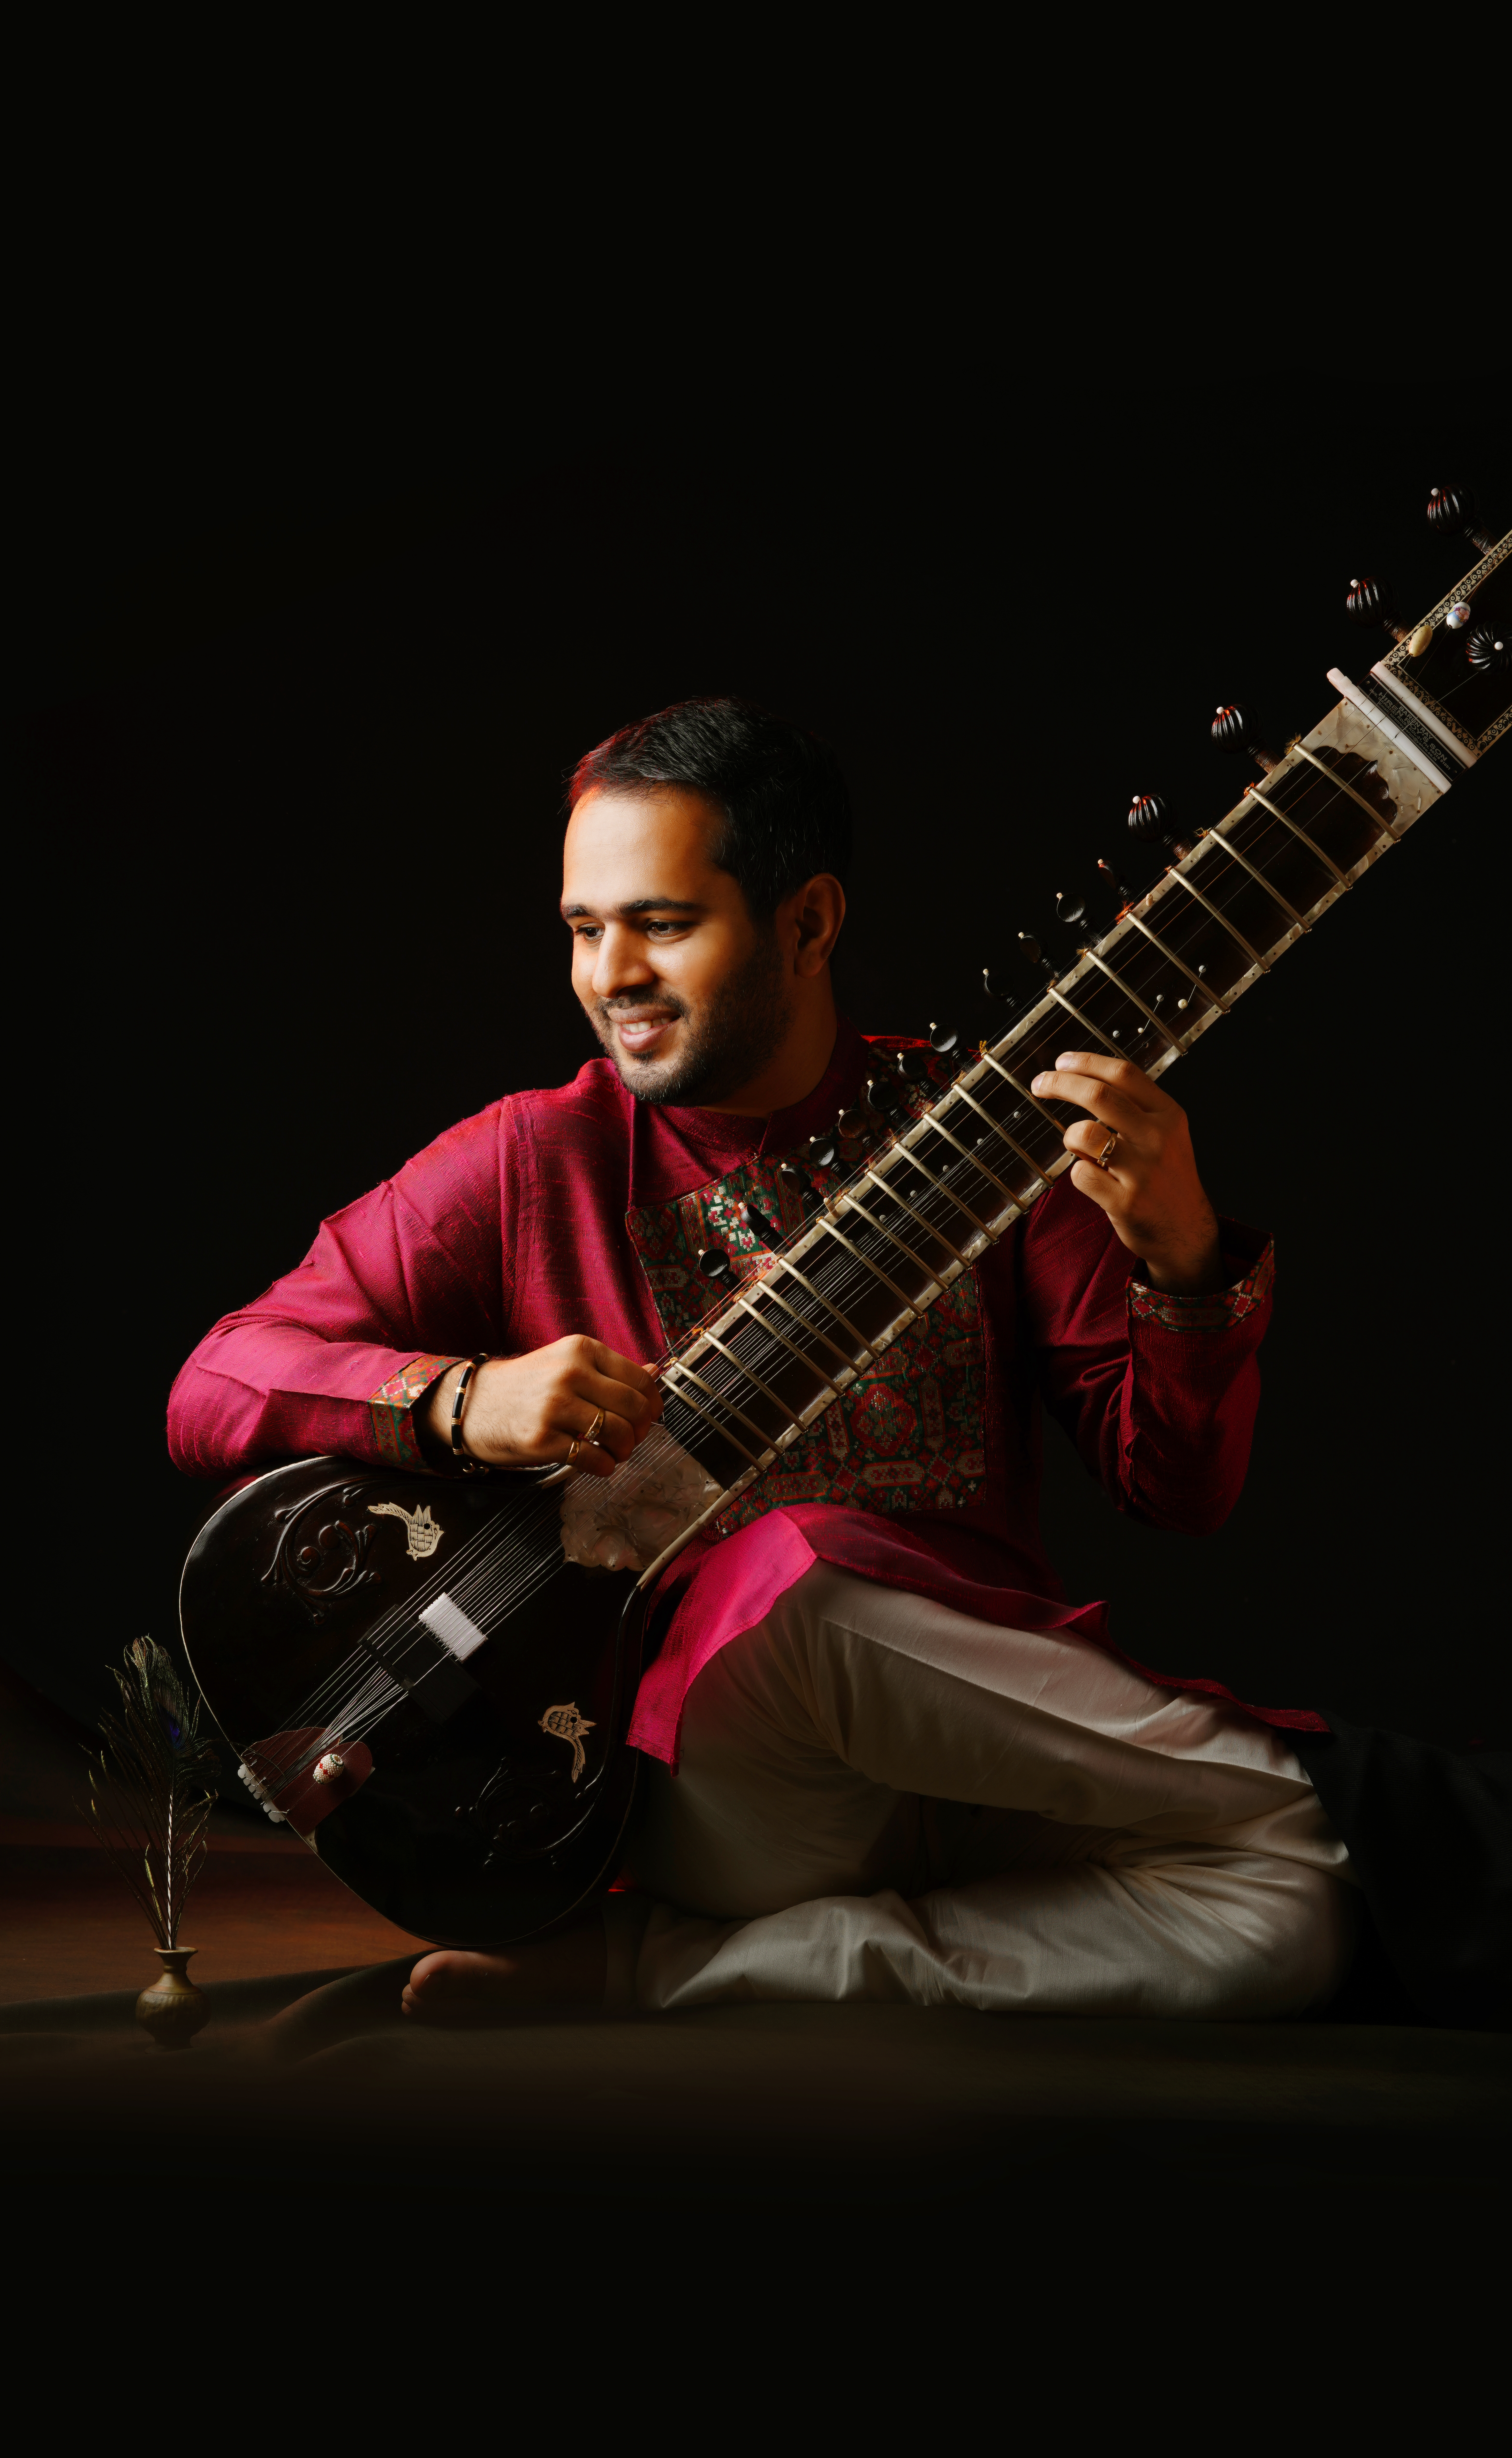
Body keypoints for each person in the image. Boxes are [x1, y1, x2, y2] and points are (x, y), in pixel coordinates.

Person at [169, 696, 1362, 2025]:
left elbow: (1177, 1492)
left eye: (661, 925)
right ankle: (1358, 1797)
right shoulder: (533, 1159)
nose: (610, 973)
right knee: (790, 1578)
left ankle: (658, 1975)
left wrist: (1183, 1258)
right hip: (739, 1791)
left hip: (993, 1762)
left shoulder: (991, 1136)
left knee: (1296, 1921)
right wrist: (460, 1400)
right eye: (584, 929)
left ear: (808, 924)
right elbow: (217, 1383)